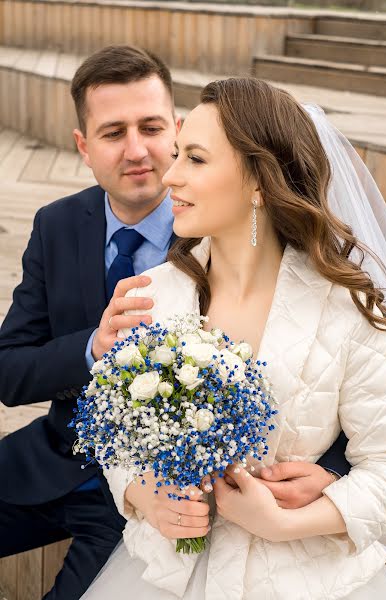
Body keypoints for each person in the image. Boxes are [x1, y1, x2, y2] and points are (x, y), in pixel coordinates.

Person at [0, 47, 348, 599]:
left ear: (178, 130)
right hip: (59, 460)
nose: (139, 151)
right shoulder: (57, 224)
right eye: (113, 132)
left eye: (153, 127)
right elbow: (8, 370)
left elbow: (322, 374)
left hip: (176, 506)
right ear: (83, 147)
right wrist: (92, 347)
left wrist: (332, 472)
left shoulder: (229, 241)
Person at [81, 77, 386, 599]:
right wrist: (144, 496)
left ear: (258, 182)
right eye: (178, 154)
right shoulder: (151, 296)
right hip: (167, 575)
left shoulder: (345, 310)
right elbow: (120, 441)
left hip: (304, 580)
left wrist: (283, 524)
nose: (171, 175)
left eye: (197, 159)